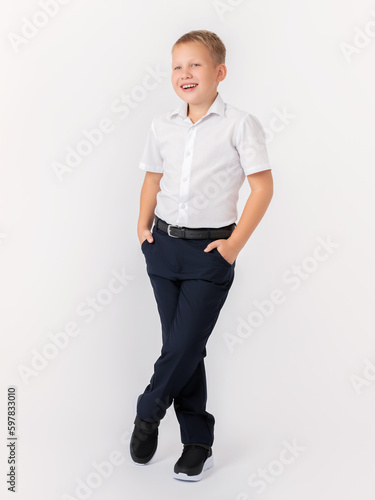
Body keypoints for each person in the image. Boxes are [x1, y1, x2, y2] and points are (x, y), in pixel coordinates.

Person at [130, 29, 274, 482]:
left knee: (184, 344)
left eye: (195, 65)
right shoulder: (163, 125)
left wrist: (233, 247)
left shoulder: (239, 124)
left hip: (211, 251)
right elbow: (152, 179)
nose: (185, 74)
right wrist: (142, 227)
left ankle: (148, 409)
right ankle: (198, 443)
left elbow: (263, 187)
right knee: (184, 347)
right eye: (178, 66)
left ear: (219, 72)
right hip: (162, 246)